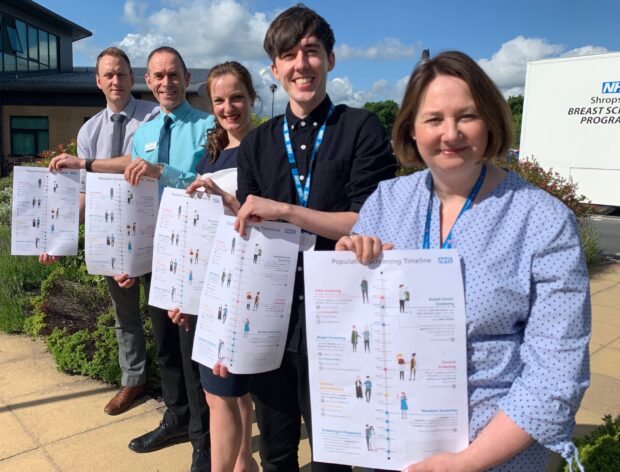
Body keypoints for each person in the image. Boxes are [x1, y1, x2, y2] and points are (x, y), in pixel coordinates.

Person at [337, 50, 591, 471]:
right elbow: (358, 328)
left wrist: (467, 462)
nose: (450, 133)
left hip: (494, 454)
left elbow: (556, 373)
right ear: (412, 131)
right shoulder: (387, 202)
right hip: (393, 443)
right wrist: (349, 270)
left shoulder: (542, 220)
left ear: (490, 121)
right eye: (434, 119)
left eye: (466, 116)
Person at [233, 5, 397, 470]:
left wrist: (285, 210)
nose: (301, 64)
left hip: (339, 311)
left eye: (311, 51)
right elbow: (249, 234)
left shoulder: (361, 128)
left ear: (330, 59)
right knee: (278, 445)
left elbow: (367, 220)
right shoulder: (257, 144)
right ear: (274, 68)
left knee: (333, 450)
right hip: (272, 316)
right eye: (289, 55)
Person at [40, 47, 159, 416]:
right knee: (126, 317)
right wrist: (58, 238)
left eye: (121, 74)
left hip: (153, 234)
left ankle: (179, 392)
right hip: (109, 236)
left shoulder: (154, 118)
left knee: (165, 315)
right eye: (108, 75)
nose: (115, 81)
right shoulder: (88, 130)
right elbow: (81, 191)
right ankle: (134, 379)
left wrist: (86, 163)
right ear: (98, 81)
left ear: (132, 77)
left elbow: (144, 164)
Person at [123, 46, 215, 472]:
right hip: (156, 252)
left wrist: (164, 171)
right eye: (157, 75)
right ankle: (176, 417)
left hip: (195, 253)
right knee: (164, 346)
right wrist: (126, 253)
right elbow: (131, 195)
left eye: (172, 74)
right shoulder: (142, 131)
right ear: (149, 78)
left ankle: (204, 438)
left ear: (187, 76)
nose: (165, 82)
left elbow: (211, 184)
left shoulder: (208, 126)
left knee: (191, 347)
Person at [169, 61, 258, 472]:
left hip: (247, 283)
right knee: (224, 391)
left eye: (236, 97)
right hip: (209, 285)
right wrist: (181, 293)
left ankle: (234, 465)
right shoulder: (211, 157)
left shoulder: (266, 149)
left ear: (252, 97)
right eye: (219, 100)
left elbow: (270, 221)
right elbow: (197, 235)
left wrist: (228, 202)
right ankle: (244, 461)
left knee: (223, 390)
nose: (228, 107)